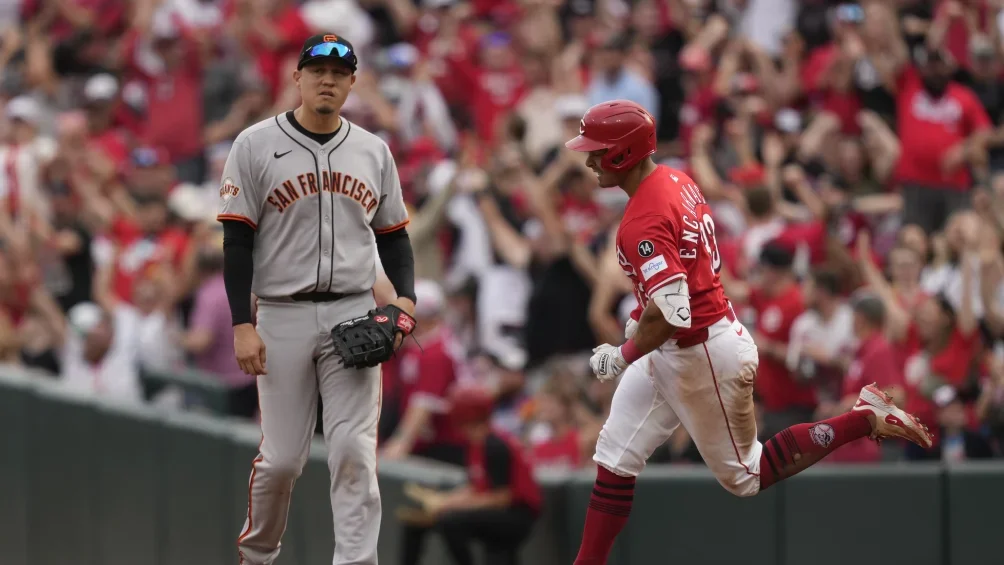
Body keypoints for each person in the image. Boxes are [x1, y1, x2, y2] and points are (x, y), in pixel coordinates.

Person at [563, 100, 934, 565]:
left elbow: (674, 311)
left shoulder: (642, 218)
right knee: (615, 456)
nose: (590, 161)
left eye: (598, 151)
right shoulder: (675, 179)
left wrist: (623, 353)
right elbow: (684, 279)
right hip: (684, 342)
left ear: (624, 152)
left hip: (701, 353)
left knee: (748, 476)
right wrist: (642, 318)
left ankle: (863, 417)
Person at [217, 34, 418, 565]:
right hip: (281, 312)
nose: (327, 80)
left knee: (354, 451)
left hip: (352, 308)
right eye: (317, 71)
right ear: (297, 77)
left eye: (339, 73)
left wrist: (406, 299)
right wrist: (241, 322)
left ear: (352, 83)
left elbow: (395, 236)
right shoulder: (255, 144)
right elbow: (236, 241)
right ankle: (258, 556)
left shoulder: (373, 150)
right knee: (282, 460)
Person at [404, 384, 541, 565]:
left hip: (517, 514)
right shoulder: (474, 443)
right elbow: (476, 487)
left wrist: (452, 505)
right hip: (500, 509)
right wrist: (444, 500)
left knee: (451, 521)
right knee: (416, 521)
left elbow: (502, 497)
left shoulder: (495, 444)